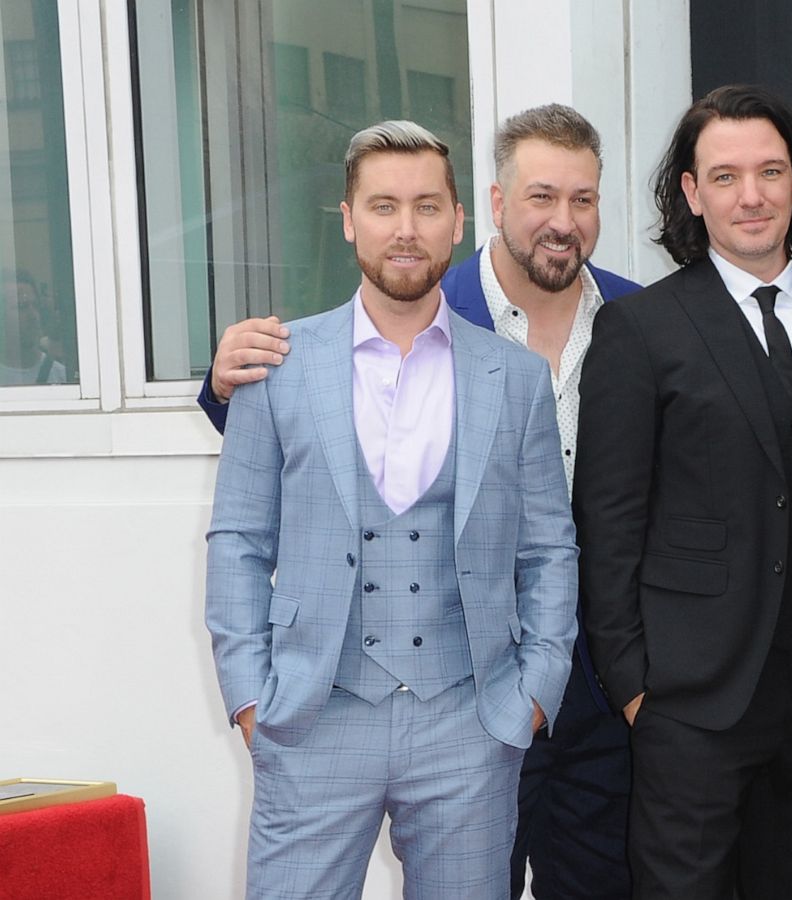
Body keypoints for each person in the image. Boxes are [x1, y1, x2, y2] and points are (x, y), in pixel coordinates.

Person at [195, 104, 641, 900]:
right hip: (312, 716)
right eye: (384, 206)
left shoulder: (513, 378)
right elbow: (237, 541)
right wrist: (253, 698)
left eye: (427, 207)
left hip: (469, 722)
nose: (407, 229)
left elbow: (548, 550)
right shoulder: (279, 364)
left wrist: (531, 694)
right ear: (348, 221)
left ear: (460, 218)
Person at [573, 85, 792, 899]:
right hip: (689, 699)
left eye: (770, 171)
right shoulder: (640, 330)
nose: (752, 195)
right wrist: (632, 687)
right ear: (693, 195)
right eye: (725, 176)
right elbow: (609, 518)